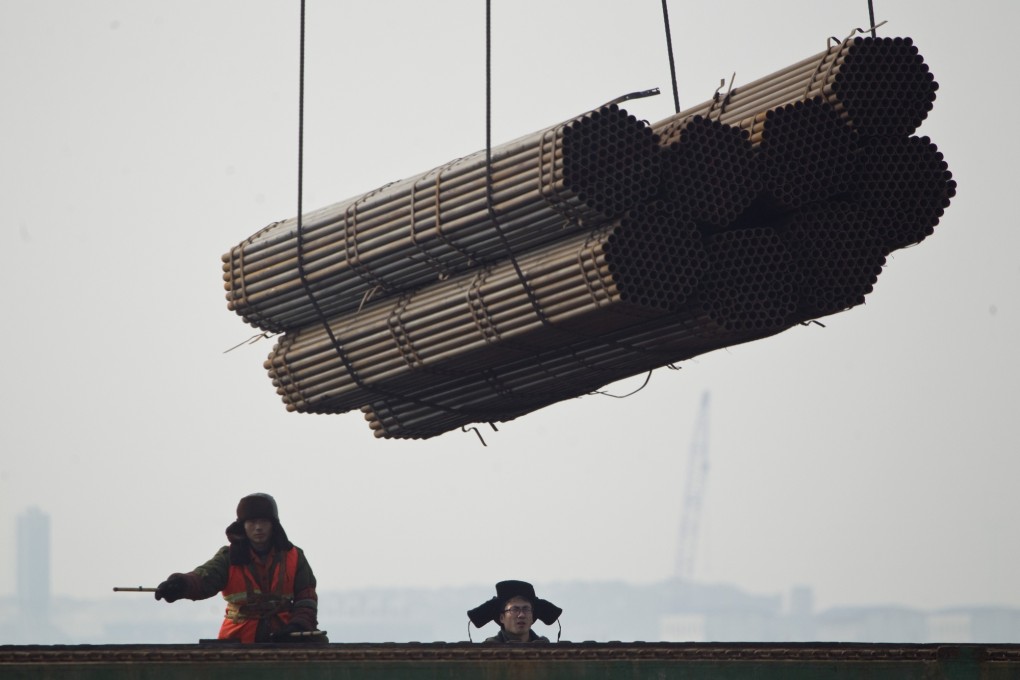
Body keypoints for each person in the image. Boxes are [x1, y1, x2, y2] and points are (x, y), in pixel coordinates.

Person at [154, 492, 321, 643]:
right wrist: (180, 584)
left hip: (284, 638)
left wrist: (299, 626)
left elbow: (306, 598)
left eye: (263, 521)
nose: (258, 527)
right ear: (243, 525)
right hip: (236, 642)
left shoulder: (294, 556)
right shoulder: (228, 558)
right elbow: (204, 578)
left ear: (273, 524)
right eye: (252, 521)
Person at [467, 580, 561, 642]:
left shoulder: (545, 647)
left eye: (526, 609)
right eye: (514, 609)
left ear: (532, 617)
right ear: (502, 618)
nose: (521, 615)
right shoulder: (489, 649)